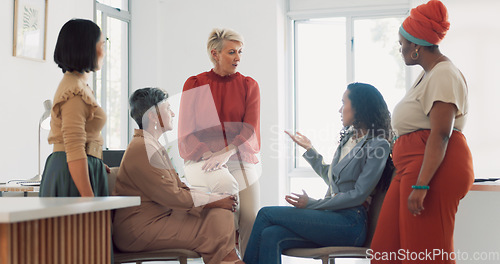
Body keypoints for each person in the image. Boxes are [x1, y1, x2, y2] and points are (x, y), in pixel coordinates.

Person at [370, 1, 474, 263]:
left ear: (416, 45)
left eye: (402, 42)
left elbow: (441, 134)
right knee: (386, 251)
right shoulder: (427, 74)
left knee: (425, 254)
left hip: (432, 166)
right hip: (410, 164)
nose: (400, 48)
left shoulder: (444, 74)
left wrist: (422, 183)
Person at [243, 83, 392, 264]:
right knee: (270, 234)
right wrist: (310, 150)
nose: (340, 109)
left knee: (266, 214)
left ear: (359, 107)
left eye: (344, 103)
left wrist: (312, 204)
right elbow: (332, 177)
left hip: (350, 223)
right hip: (332, 218)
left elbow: (359, 194)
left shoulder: (378, 144)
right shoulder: (349, 139)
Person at [113, 88, 244, 264]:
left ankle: (229, 257)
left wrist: (214, 199)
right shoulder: (143, 148)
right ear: (153, 115)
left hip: (160, 217)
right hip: (140, 229)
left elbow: (179, 188)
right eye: (168, 108)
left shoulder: (152, 145)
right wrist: (213, 200)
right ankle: (229, 258)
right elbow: (172, 195)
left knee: (220, 213)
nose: (173, 113)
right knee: (216, 219)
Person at [178, 28, 261, 255]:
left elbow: (250, 128)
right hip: (202, 158)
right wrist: (208, 154)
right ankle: (227, 258)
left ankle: (248, 260)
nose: (238, 58)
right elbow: (187, 129)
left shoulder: (249, 85)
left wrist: (225, 153)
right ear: (215, 54)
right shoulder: (194, 84)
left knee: (250, 216)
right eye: (232, 52)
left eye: (240, 52)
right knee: (227, 210)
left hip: (239, 156)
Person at [40, 19, 108, 197]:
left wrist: (96, 159)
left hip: (81, 167)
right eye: (102, 44)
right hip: (72, 173)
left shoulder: (79, 86)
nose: (105, 51)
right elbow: (74, 146)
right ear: (86, 48)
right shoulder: (74, 91)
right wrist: (89, 198)